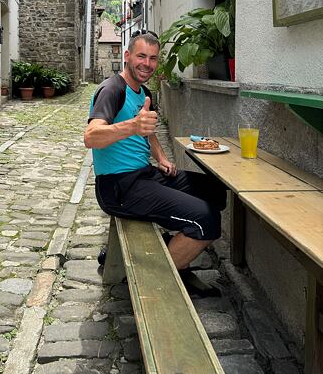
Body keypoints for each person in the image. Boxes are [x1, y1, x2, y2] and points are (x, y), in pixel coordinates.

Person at [84, 31, 227, 296]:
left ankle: (177, 250)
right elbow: (91, 137)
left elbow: (148, 131)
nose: (147, 64)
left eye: (153, 58)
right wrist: (132, 126)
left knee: (215, 190)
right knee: (206, 220)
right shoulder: (112, 90)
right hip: (118, 187)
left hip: (145, 175)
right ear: (127, 56)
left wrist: (161, 157)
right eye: (141, 56)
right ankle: (156, 280)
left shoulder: (143, 92)